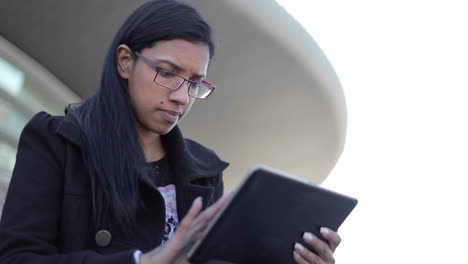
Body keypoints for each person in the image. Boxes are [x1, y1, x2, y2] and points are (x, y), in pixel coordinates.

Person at [0, 0, 342, 263]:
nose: (181, 97)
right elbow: (17, 258)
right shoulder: (57, 141)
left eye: (195, 83)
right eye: (167, 73)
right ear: (124, 61)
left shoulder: (203, 172)